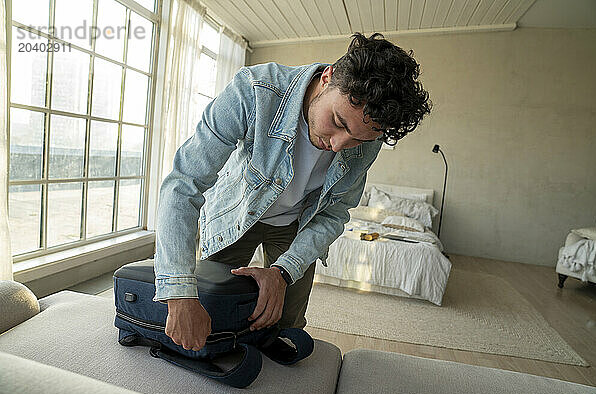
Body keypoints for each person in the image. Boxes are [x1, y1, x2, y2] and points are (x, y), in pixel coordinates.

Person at [153, 32, 431, 352]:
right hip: (236, 212)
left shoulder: (370, 136)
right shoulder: (254, 90)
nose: (339, 145)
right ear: (327, 79)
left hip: (296, 226)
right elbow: (183, 183)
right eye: (337, 122)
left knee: (285, 324)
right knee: (211, 308)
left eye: (358, 139)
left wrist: (283, 273)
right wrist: (179, 293)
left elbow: (335, 213)